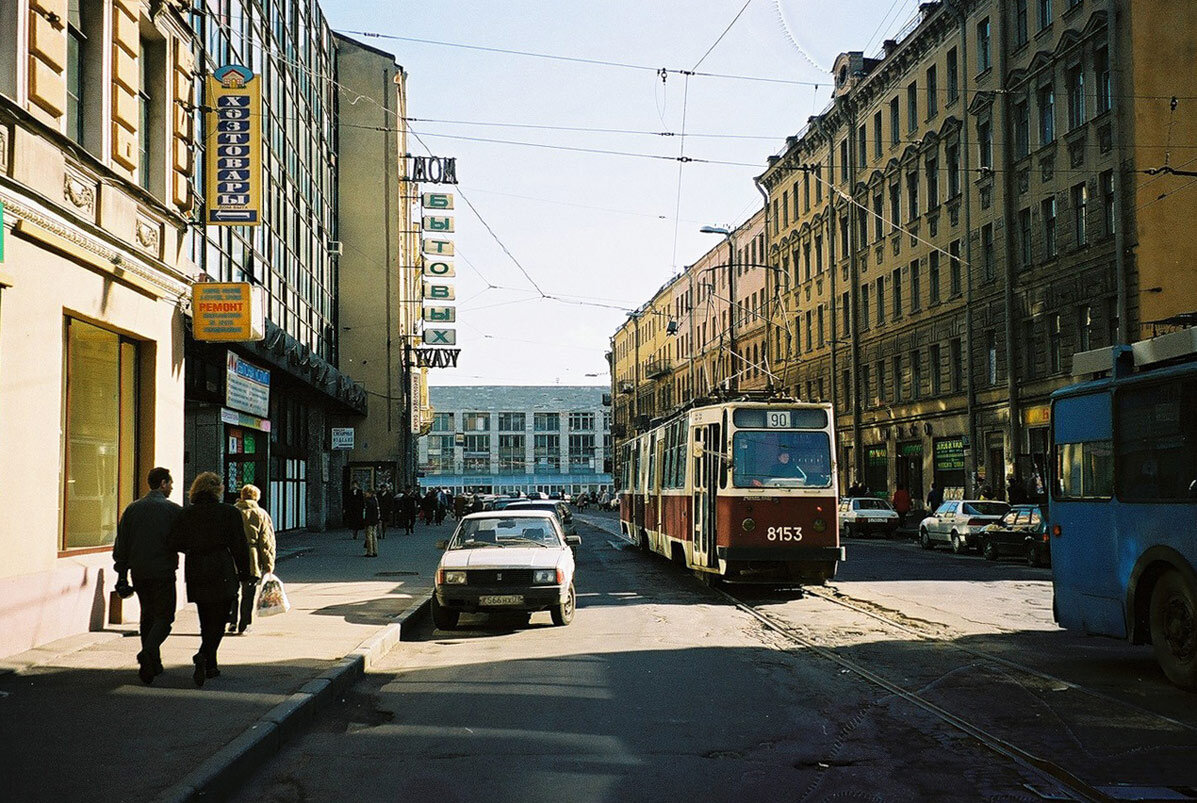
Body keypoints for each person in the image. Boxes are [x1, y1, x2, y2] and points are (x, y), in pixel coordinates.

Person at [171, 472, 252, 687]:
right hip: (221, 566)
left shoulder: (187, 514)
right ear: (218, 490)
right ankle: (203, 655)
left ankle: (211, 664)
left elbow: (175, 541)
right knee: (221, 618)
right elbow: (239, 545)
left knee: (205, 617)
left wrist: (192, 548)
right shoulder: (228, 512)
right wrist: (245, 572)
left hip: (196, 567)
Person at [112, 467, 182, 685]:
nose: (171, 487)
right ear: (162, 483)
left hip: (139, 572)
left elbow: (121, 544)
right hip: (163, 571)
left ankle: (153, 662)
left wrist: (122, 574)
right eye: (170, 483)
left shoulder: (132, 509)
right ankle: (148, 651)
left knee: (147, 615)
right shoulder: (173, 510)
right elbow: (181, 541)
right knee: (165, 617)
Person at [229, 484, 276, 635]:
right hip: (252, 557)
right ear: (257, 497)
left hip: (231, 557)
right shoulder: (261, 514)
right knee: (248, 593)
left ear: (242, 496)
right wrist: (269, 564)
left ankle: (232, 621)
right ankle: (244, 624)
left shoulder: (232, 511)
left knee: (232, 591)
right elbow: (266, 541)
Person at [362, 489, 380, 557]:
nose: (365, 494)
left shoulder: (367, 501)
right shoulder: (375, 500)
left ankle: (370, 551)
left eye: (366, 493)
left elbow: (366, 512)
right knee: (374, 536)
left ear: (370, 493)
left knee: (369, 536)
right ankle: (375, 550)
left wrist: (365, 520)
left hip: (369, 520)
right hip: (374, 520)